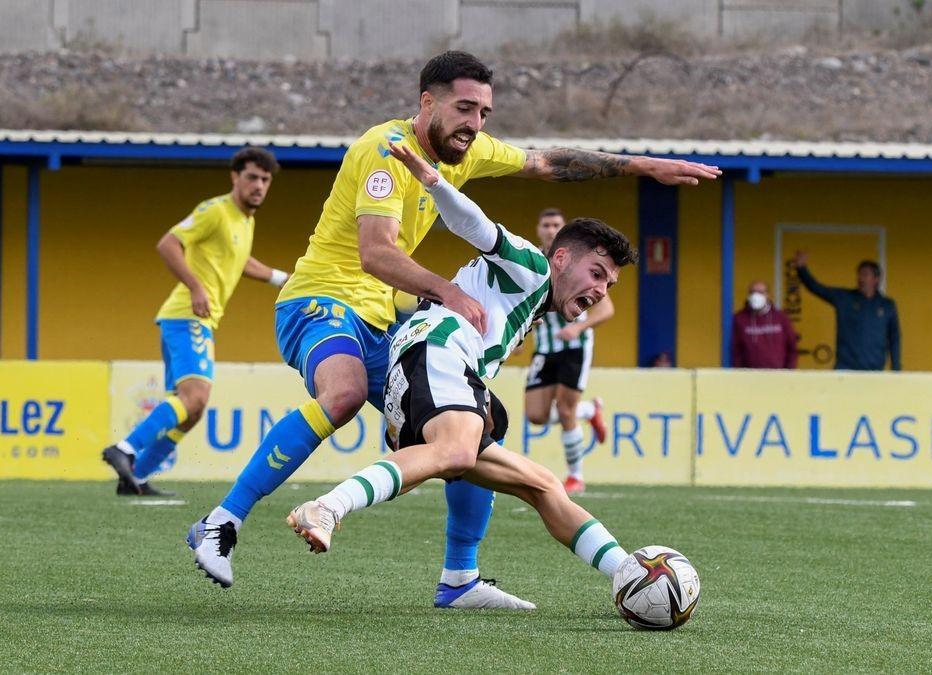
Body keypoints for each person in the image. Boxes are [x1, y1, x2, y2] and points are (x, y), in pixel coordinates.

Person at [185, 51, 719, 600]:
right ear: (427, 102)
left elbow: (544, 163)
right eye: (465, 108)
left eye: (485, 112)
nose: (476, 124)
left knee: (481, 436)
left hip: (385, 322)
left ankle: (460, 577)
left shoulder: (468, 152)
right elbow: (375, 254)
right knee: (343, 394)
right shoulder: (384, 151)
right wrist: (445, 290)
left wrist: (641, 167)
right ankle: (223, 521)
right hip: (323, 298)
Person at [286, 139, 638, 599]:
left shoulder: (533, 301)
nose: (600, 289)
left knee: (542, 484)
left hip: (438, 368)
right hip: (436, 352)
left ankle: (628, 571)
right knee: (456, 451)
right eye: (596, 273)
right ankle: (328, 507)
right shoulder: (532, 265)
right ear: (563, 257)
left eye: (608, 283)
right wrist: (434, 182)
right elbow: (475, 224)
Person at [101, 148, 288, 496]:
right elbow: (168, 244)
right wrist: (196, 286)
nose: (259, 185)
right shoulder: (215, 210)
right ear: (235, 177)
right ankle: (124, 450)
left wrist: (283, 279)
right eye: (252, 177)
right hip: (187, 316)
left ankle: (136, 478)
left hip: (197, 320)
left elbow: (241, 261)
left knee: (192, 409)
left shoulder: (245, 221)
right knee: (195, 397)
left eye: (265, 180)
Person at [524, 207, 611, 496]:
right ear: (539, 229)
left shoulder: (579, 260)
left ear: (564, 230)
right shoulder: (532, 259)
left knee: (564, 409)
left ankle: (575, 476)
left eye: (556, 225)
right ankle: (589, 411)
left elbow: (606, 308)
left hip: (575, 345)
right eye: (546, 224)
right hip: (544, 348)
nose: (550, 229)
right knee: (535, 415)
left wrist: (577, 328)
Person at [793, 253, 900, 371]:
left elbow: (894, 337)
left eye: (865, 275)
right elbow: (817, 288)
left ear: (876, 279)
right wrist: (801, 269)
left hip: (875, 370)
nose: (860, 278)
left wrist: (896, 367)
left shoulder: (887, 305)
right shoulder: (844, 298)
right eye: (859, 274)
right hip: (845, 368)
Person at [730, 280, 798, 369]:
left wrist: (789, 371)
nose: (756, 296)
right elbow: (735, 350)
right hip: (749, 376)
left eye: (760, 292)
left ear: (768, 295)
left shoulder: (781, 318)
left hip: (778, 375)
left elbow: (792, 347)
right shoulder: (739, 319)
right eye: (752, 292)